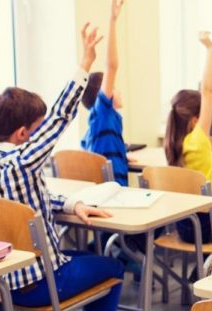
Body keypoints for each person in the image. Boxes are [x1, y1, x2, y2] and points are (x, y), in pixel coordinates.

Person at [0, 24, 140, 311]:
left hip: (9, 282)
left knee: (92, 261)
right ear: (24, 135)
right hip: (41, 281)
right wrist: (85, 62)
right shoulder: (23, 160)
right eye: (37, 129)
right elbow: (59, 117)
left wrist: (71, 204)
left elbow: (28, 201)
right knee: (114, 269)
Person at [163, 32, 212, 245]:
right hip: (208, 226)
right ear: (194, 120)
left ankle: (202, 268)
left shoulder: (172, 144)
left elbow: (196, 171)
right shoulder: (197, 140)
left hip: (183, 226)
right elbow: (208, 91)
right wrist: (209, 49)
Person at [80, 0, 129, 187]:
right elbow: (112, 65)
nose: (118, 90)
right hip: (115, 195)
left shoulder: (95, 127)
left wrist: (122, 154)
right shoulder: (103, 114)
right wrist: (113, 20)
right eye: (113, 86)